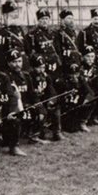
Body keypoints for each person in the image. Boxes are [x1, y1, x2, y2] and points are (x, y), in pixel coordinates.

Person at [25, 8, 64, 141]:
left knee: (54, 97)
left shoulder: (53, 34)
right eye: (42, 19)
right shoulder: (32, 35)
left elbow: (58, 51)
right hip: (40, 69)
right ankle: (39, 130)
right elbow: (30, 54)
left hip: (53, 70)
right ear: (38, 20)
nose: (44, 22)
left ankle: (56, 130)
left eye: (46, 19)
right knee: (40, 98)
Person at [0, 0, 26, 72]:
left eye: (15, 12)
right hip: (9, 66)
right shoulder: (1, 32)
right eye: (12, 13)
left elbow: (25, 47)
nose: (15, 15)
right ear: (5, 15)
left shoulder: (19, 29)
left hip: (21, 64)